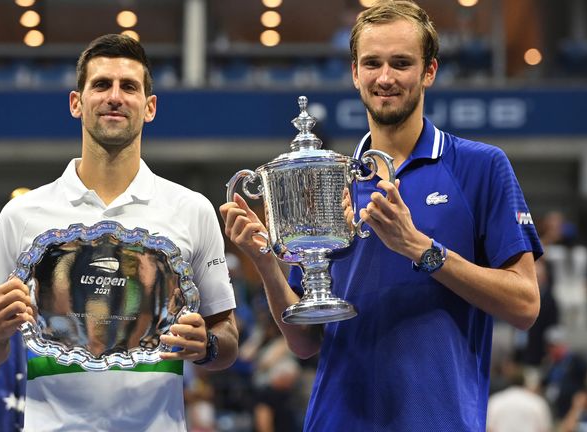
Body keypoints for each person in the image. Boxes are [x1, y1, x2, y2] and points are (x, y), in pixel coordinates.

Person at [219, 1, 542, 430]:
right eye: (372, 63)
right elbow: (303, 341)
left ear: (429, 72)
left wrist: (421, 248)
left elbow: (525, 305)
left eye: (401, 63)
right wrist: (265, 262)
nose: (385, 77)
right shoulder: (328, 180)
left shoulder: (480, 167)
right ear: (355, 73)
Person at [0, 34, 238, 431]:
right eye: (101, 85)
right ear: (77, 103)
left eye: (128, 86)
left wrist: (207, 347)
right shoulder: (22, 215)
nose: (114, 96)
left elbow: (226, 335)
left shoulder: (191, 210)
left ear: (150, 107)